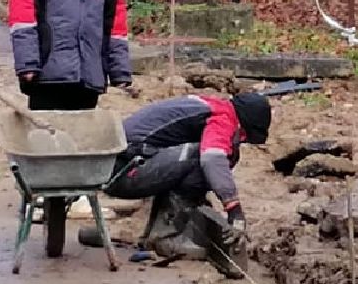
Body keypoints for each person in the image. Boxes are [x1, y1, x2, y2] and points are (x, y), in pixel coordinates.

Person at [105, 92, 271, 259]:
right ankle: (166, 238)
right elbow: (212, 158)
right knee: (202, 157)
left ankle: (159, 233)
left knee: (207, 158)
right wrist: (234, 209)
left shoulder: (210, 105)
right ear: (245, 124)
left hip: (112, 168)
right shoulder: (223, 118)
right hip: (123, 172)